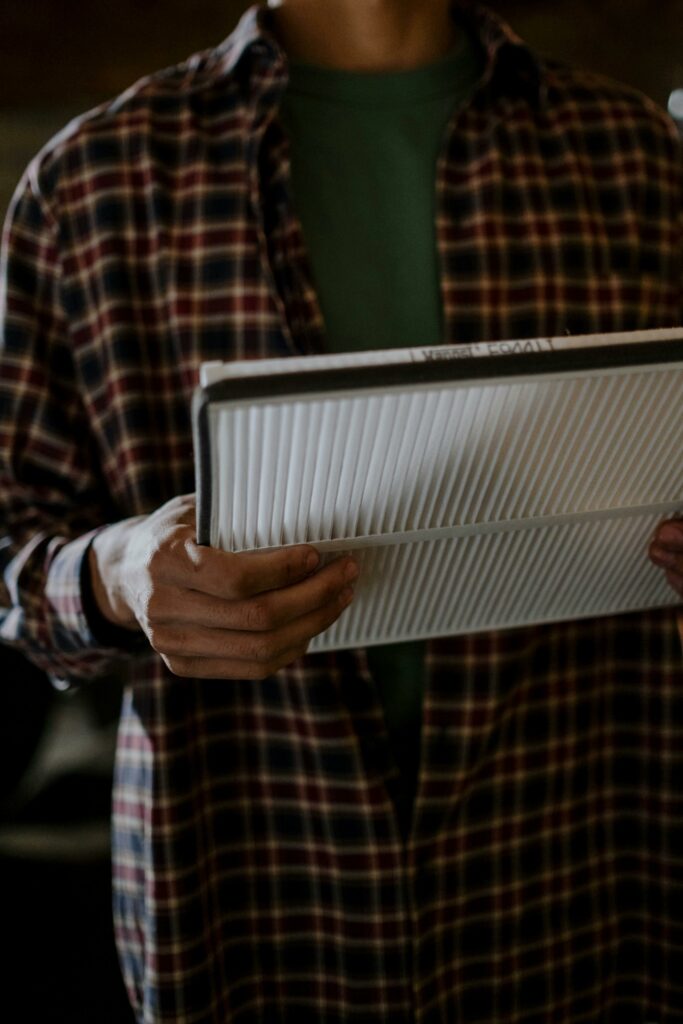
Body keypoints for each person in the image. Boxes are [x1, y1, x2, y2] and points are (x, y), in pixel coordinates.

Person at [1, 1, 682, 1021]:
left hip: (584, 882)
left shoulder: (641, 158)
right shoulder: (87, 182)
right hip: (250, 904)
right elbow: (13, 555)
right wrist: (116, 574)